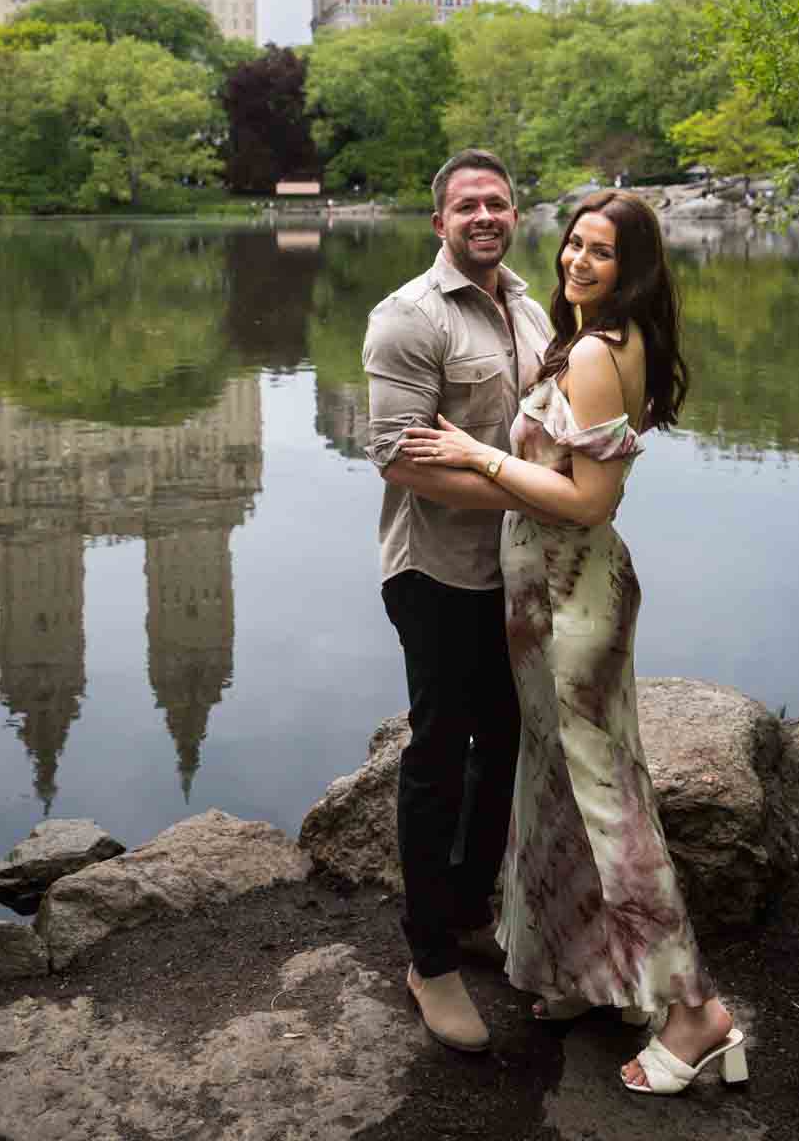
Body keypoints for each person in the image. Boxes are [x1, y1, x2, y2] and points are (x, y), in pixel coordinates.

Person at [399, 191, 747, 1097]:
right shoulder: (604, 339)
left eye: (601, 254)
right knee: (555, 787)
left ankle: (697, 1011)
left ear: (632, 269)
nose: (577, 264)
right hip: (553, 596)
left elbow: (590, 501)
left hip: (570, 599)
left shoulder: (597, 352)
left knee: (608, 804)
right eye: (574, 247)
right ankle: (591, 972)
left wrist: (478, 457)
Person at [363, 148, 553, 1054]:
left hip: (517, 569)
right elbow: (402, 459)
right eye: (466, 205)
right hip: (434, 572)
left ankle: (472, 908)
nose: (484, 216)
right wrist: (539, 493)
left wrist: (533, 485)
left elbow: (547, 435)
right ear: (438, 221)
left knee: (508, 738)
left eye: (499, 203)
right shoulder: (406, 319)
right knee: (439, 748)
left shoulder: (529, 307)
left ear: (514, 214)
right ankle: (428, 958)